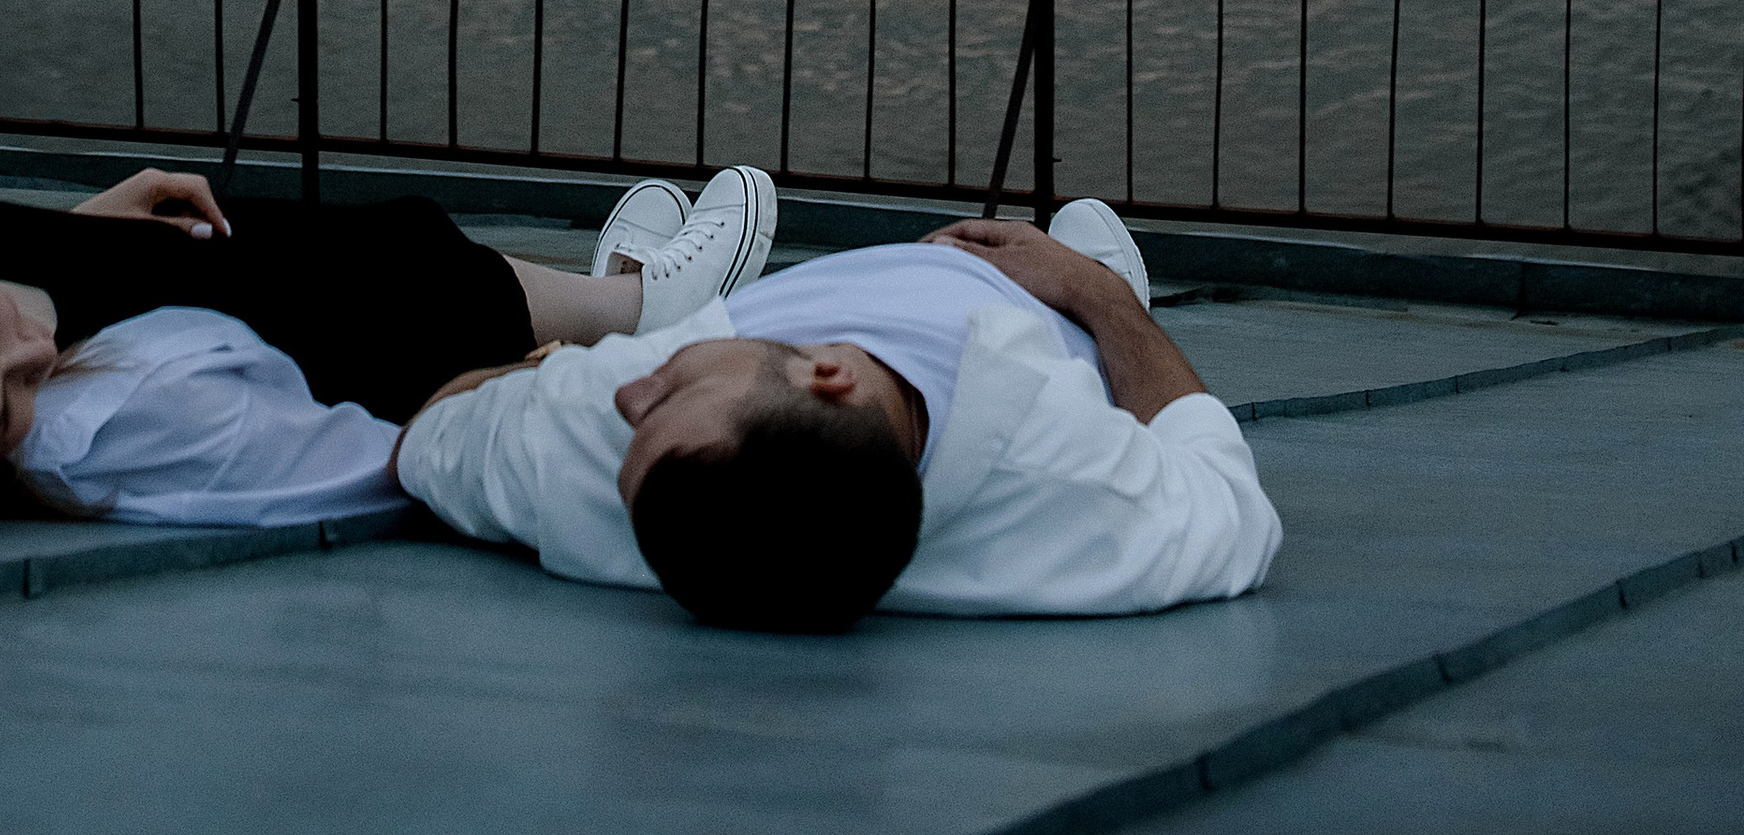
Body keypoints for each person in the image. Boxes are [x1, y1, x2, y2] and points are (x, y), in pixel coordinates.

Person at [0, 160, 779, 536]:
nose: (37, 351)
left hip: (201, 259)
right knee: (396, 271)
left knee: (318, 238)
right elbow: (365, 465)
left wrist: (84, 224)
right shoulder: (119, 424)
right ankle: (639, 304)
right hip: (367, 327)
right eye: (5, 412)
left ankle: (607, 285)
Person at [395, 195, 1282, 636]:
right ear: (827, 376)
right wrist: (1094, 297)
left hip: (786, 308)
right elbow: (1222, 486)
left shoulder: (624, 475)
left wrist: (553, 368)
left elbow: (432, 429)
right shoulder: (1069, 475)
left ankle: (639, 295)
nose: (629, 395)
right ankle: (1114, 297)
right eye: (663, 393)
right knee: (1106, 310)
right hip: (1036, 309)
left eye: (652, 401)